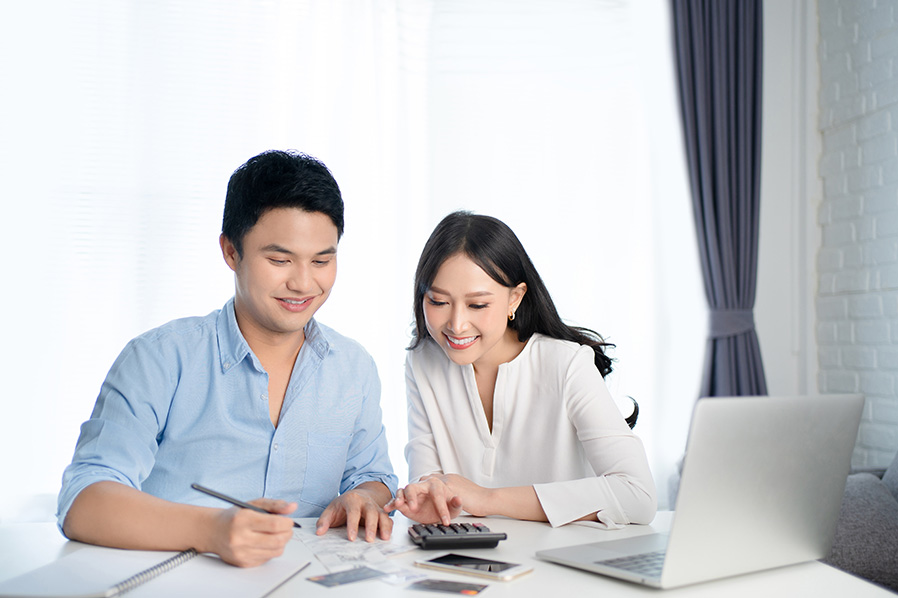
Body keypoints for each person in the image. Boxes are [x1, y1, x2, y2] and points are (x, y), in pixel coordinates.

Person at [58, 150, 397, 567]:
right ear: (231, 252)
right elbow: (83, 501)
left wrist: (363, 497)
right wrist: (211, 531)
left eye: (322, 260)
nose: (304, 282)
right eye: (279, 259)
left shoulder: (354, 368)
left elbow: (373, 477)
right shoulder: (159, 359)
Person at [385, 211, 657, 529]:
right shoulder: (422, 363)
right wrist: (426, 494)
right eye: (438, 301)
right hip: (467, 565)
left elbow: (638, 496)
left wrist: (488, 499)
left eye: (477, 305)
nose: (456, 325)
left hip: (561, 564)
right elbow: (428, 477)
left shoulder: (567, 364)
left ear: (515, 298)